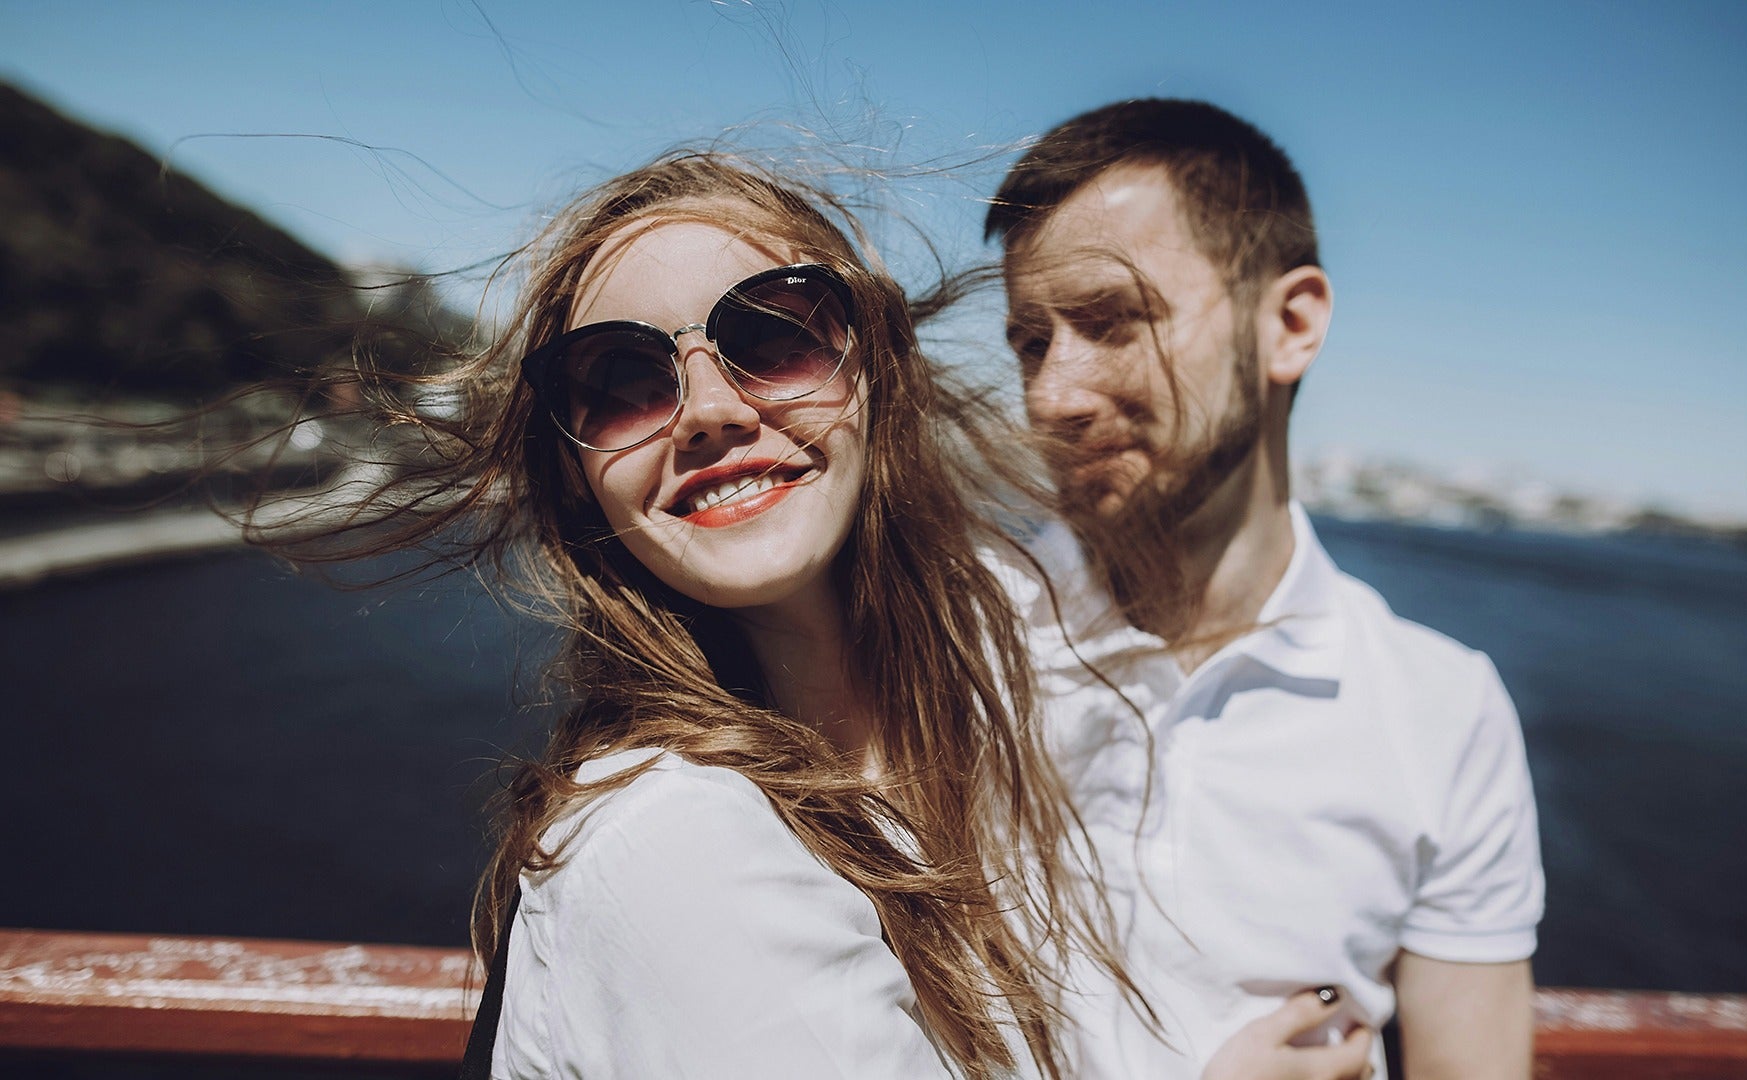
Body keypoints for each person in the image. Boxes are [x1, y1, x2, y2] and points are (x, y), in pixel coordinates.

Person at [304, 150, 1368, 1079]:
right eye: (621, 380)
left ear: (876, 373)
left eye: (774, 337)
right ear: (579, 473)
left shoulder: (955, 732)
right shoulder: (685, 848)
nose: (712, 410)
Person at [986, 99, 1546, 1080]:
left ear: (1290, 324)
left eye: (1114, 322)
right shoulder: (954, 646)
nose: (1049, 396)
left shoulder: (1442, 715)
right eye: (1032, 342)